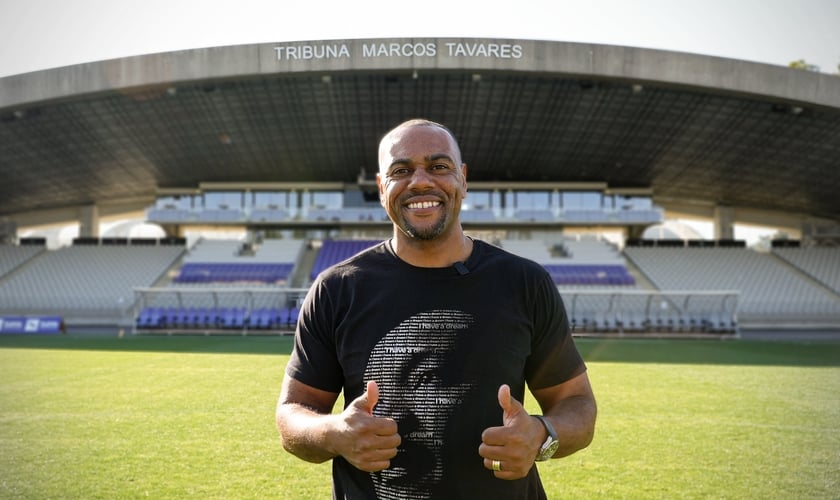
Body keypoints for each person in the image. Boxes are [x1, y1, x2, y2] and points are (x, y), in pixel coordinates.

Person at [276, 119, 596, 499]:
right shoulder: (337, 289)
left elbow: (576, 403)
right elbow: (292, 413)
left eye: (439, 166)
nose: (420, 182)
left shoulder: (524, 283)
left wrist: (542, 434)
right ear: (381, 187)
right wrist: (334, 433)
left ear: (463, 178)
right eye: (401, 170)